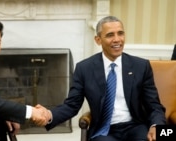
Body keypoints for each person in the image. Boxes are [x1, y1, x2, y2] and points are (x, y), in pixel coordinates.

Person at [36, 16, 166, 141]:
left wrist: (156, 126)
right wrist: (49, 115)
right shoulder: (84, 69)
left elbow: (154, 105)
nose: (117, 39)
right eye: (110, 35)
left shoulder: (140, 66)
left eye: (120, 33)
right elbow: (72, 105)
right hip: (105, 130)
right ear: (98, 40)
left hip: (136, 126)